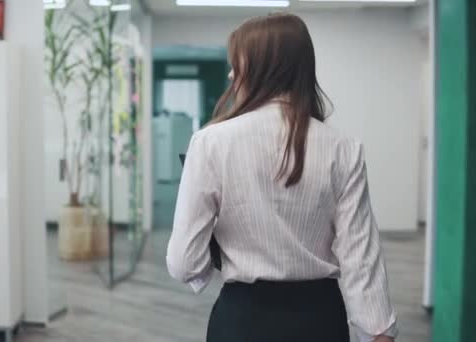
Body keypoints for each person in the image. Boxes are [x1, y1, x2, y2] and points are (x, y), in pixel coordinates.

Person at [166, 13, 397, 342]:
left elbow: (183, 262)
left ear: (264, 67)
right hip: (320, 321)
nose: (231, 74)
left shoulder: (210, 143)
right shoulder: (344, 149)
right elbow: (360, 258)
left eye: (238, 65)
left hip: (242, 321)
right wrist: (378, 332)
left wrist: (210, 263)